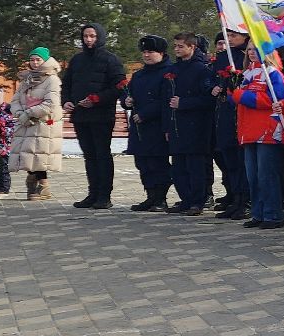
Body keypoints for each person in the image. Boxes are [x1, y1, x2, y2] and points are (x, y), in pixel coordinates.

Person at [60, 22, 125, 209]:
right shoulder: (77, 60)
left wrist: (96, 99)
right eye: (86, 36)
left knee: (102, 154)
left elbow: (119, 86)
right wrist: (66, 101)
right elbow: (67, 84)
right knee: (89, 155)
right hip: (80, 115)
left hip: (101, 115)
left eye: (92, 36)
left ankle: (104, 196)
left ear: (100, 37)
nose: (88, 40)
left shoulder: (110, 59)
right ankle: (93, 193)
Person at [234, 45, 284, 229]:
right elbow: (237, 100)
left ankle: (273, 215)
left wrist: (240, 95)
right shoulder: (245, 74)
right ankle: (258, 212)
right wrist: (229, 89)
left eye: (256, 49)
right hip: (248, 130)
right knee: (252, 176)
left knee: (266, 175)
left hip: (267, 130)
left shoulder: (273, 73)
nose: (251, 52)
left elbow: (275, 100)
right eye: (249, 49)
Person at [165, 33, 216, 215]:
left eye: (181, 46)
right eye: (176, 46)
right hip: (177, 125)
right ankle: (185, 199)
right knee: (178, 168)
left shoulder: (202, 70)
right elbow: (167, 100)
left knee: (196, 167)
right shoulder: (173, 69)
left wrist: (184, 103)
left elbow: (208, 99)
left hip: (196, 126)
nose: (177, 50)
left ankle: (197, 201)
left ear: (191, 47)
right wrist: (167, 126)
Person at [124, 35, 174, 212]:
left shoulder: (168, 72)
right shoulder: (139, 75)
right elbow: (128, 93)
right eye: (144, 52)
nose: (146, 55)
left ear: (161, 53)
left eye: (150, 52)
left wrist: (146, 114)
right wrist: (127, 101)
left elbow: (165, 100)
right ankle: (151, 196)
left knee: (157, 164)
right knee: (142, 163)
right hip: (139, 128)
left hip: (157, 126)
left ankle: (161, 198)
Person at [10, 49, 62, 201]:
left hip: (43, 122)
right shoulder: (26, 79)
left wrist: (30, 113)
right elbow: (15, 100)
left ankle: (43, 187)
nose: (35, 63)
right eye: (32, 60)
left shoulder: (52, 79)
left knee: (39, 157)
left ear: (45, 61)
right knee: (28, 156)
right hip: (26, 122)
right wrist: (20, 113)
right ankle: (32, 184)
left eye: (38, 60)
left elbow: (51, 103)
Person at [210, 32, 250, 220]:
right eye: (229, 35)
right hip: (224, 111)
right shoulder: (224, 57)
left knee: (242, 161)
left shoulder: (247, 56)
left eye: (234, 35)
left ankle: (246, 201)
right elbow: (212, 78)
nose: (230, 39)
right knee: (230, 160)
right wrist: (215, 87)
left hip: (241, 111)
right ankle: (236, 198)